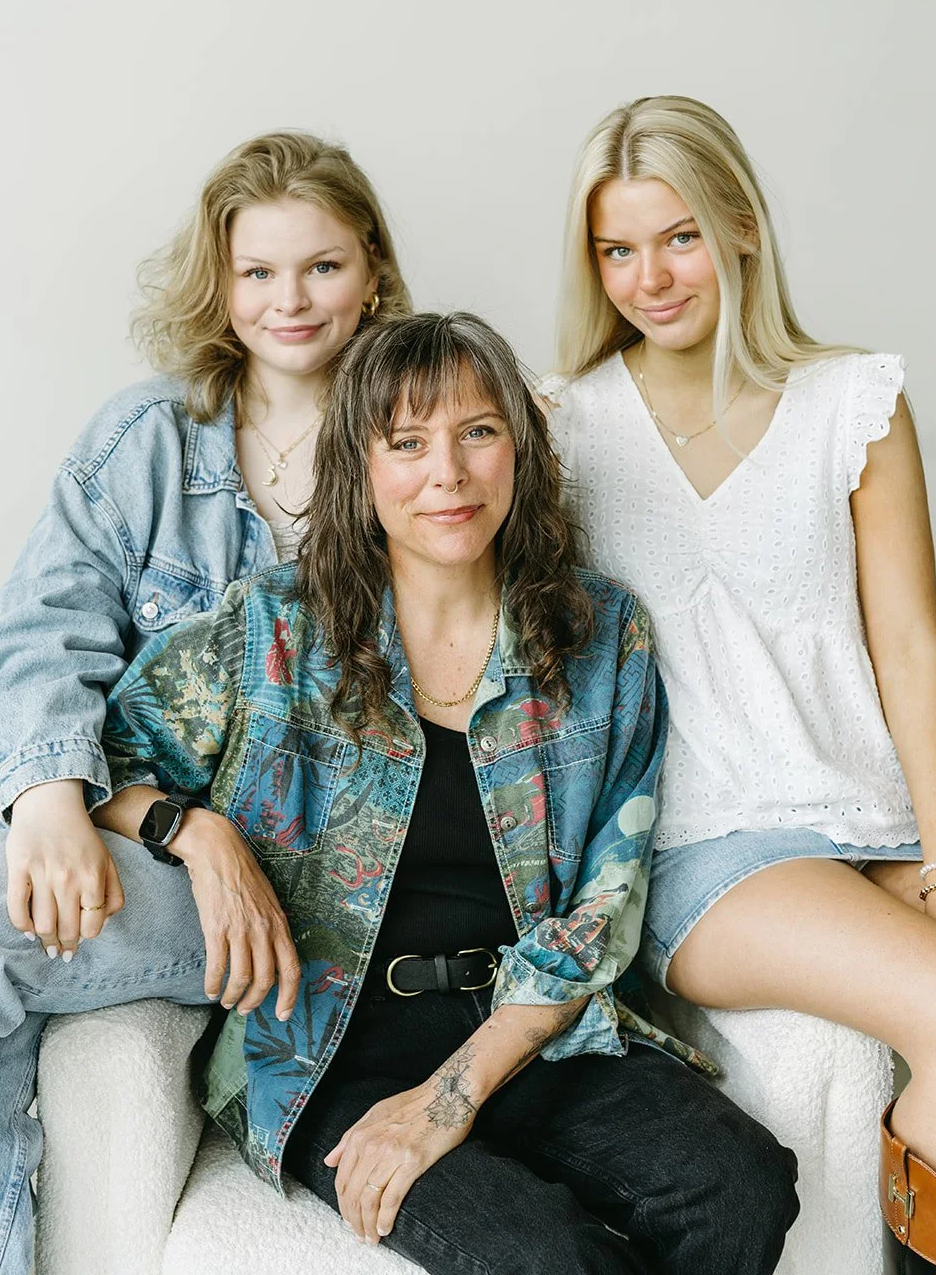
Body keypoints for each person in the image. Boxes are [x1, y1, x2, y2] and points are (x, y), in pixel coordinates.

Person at [74, 312, 790, 1273]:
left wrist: (448, 1099)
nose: (446, 474)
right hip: (331, 1044)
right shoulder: (272, 635)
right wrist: (197, 834)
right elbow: (94, 757)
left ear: (520, 452)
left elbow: (602, 911)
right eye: (406, 443)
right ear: (359, 470)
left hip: (527, 1032)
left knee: (740, 1185)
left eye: (477, 432)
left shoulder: (600, 638)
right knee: (544, 1257)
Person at [0, 129, 410, 1274]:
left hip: (289, 877)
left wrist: (204, 832)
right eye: (257, 272)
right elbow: (39, 639)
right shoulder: (148, 439)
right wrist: (56, 796)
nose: (288, 300)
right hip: (114, 825)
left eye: (322, 266)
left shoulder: (417, 448)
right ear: (220, 283)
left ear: (375, 273)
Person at [544, 94, 936, 1274]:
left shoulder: (851, 400)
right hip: (705, 848)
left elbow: (910, 645)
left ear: (741, 226)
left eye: (679, 234)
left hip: (867, 830)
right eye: (616, 248)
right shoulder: (561, 432)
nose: (648, 276)